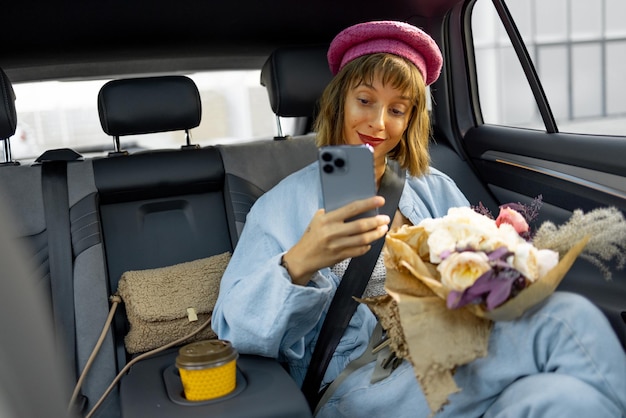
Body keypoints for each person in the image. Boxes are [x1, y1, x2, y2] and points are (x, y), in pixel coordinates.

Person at [212, 20, 626, 417]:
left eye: (397, 109)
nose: (378, 122)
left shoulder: (431, 186)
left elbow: (472, 276)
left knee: (568, 401)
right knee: (564, 318)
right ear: (339, 99)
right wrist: (300, 262)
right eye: (365, 100)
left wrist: (495, 261)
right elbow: (233, 328)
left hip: (451, 352)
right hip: (362, 385)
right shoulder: (279, 206)